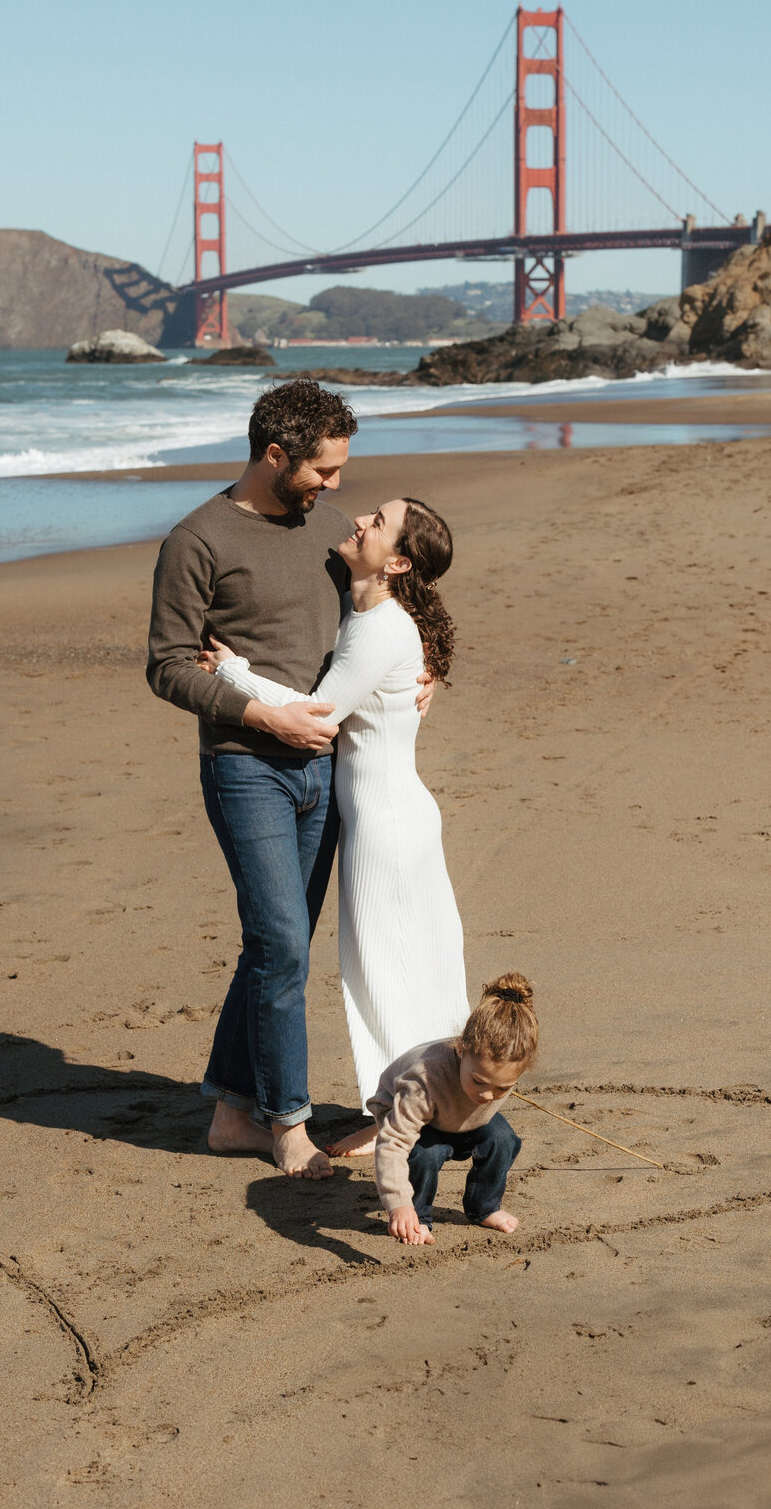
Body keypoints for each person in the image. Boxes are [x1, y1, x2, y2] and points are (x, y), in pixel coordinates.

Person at [145, 377, 432, 1182]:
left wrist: (426, 666)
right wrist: (263, 716)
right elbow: (166, 667)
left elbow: (394, 604)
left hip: (328, 774)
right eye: (322, 470)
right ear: (274, 455)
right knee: (278, 942)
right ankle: (288, 1122)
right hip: (247, 768)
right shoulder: (196, 540)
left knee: (279, 946)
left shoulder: (334, 529)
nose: (337, 488)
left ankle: (232, 1112)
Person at [201, 496, 470, 1156]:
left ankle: (399, 1116)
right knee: (408, 965)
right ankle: (417, 1105)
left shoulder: (382, 628)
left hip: (387, 826)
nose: (360, 521)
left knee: (388, 971)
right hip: (388, 816)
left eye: (378, 523)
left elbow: (320, 711)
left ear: (399, 559)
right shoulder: (378, 614)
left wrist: (233, 671)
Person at [366, 973, 539, 1246]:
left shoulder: (500, 1072)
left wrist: (493, 1087)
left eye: (502, 1088)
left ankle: (485, 1208)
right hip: (417, 1116)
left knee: (503, 1139)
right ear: (460, 1049)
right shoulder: (423, 1080)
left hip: (459, 1117)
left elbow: (492, 1086)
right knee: (426, 1153)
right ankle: (418, 1217)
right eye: (479, 1081)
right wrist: (398, 1204)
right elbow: (394, 1144)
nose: (486, 1094)